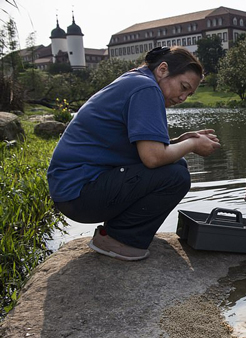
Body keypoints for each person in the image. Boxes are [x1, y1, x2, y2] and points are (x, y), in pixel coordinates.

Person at [47, 46, 220, 261]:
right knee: (177, 176)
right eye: (183, 87)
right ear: (163, 69)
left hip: (74, 192)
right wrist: (193, 144)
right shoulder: (146, 88)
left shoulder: (137, 81)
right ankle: (118, 239)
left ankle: (119, 233)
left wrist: (180, 141)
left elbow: (140, 148)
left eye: (189, 93)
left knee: (177, 165)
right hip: (79, 193)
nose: (183, 97)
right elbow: (153, 157)